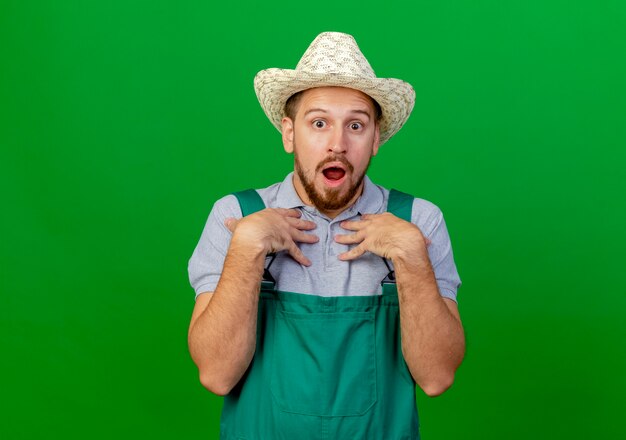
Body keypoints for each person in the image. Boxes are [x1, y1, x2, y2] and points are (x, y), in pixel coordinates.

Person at [187, 31, 465, 439]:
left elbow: (437, 377)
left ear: (375, 140)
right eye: (319, 123)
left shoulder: (419, 220)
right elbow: (216, 375)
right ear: (289, 133)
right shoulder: (236, 216)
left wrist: (410, 256)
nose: (337, 144)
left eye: (356, 125)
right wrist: (247, 248)